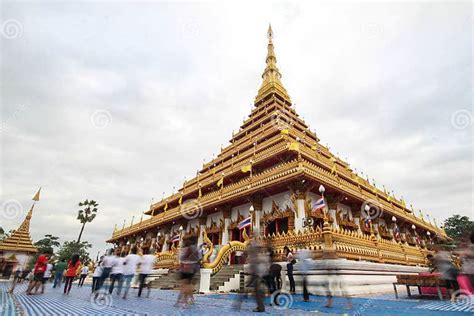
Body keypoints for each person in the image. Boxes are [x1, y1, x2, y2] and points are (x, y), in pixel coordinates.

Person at [175, 238, 200, 308]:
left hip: (184, 269)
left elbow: (182, 259)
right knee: (188, 286)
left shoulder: (185, 250)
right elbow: (198, 260)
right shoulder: (196, 250)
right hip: (191, 269)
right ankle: (189, 299)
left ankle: (183, 302)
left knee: (184, 286)